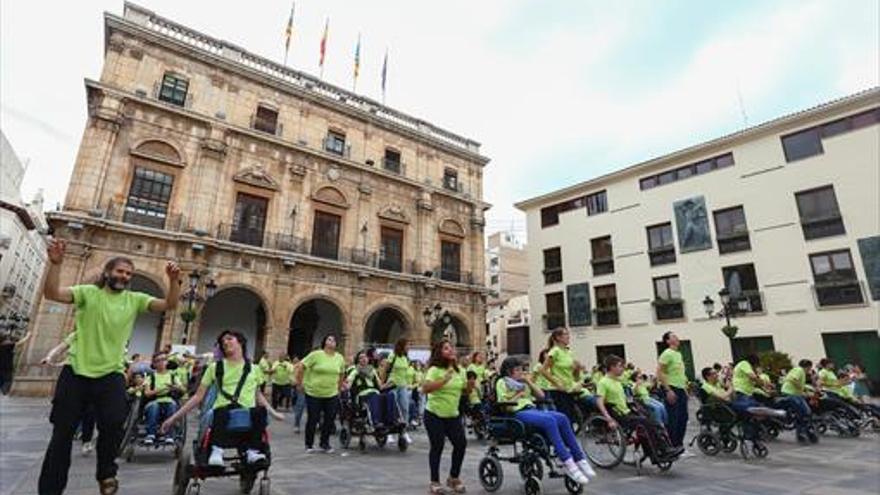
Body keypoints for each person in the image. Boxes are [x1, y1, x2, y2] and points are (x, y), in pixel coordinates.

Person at [38, 240, 180, 495]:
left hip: (111, 374)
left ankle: (106, 473)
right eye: (120, 271)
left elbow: (168, 305)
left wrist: (173, 281)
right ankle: (50, 490)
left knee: (114, 423)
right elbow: (52, 294)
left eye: (128, 273)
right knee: (62, 434)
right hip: (76, 372)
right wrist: (55, 264)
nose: (124, 276)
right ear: (107, 273)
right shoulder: (87, 293)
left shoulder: (134, 299)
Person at [161, 331, 283, 466]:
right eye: (223, 342)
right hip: (222, 414)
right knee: (221, 411)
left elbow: (258, 395)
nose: (225, 343)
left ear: (240, 342)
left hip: (246, 414)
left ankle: (252, 451)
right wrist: (173, 418)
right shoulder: (215, 367)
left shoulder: (254, 369)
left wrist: (273, 412)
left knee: (260, 412)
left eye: (229, 339)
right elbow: (197, 396)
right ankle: (217, 450)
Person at [496, 357, 594, 484]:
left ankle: (580, 458)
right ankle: (568, 462)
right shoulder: (502, 382)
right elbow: (506, 406)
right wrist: (519, 394)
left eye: (522, 369)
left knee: (562, 418)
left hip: (531, 409)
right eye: (518, 370)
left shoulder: (523, 382)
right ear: (509, 371)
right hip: (517, 413)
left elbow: (541, 395)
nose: (521, 372)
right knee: (549, 421)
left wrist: (529, 382)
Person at [597, 355, 683, 461]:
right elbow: (599, 402)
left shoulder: (617, 381)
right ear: (612, 367)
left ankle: (659, 451)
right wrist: (609, 419)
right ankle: (663, 451)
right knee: (646, 423)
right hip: (618, 414)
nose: (622, 368)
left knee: (653, 422)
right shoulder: (603, 382)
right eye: (620, 366)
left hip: (627, 411)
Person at [422, 340, 472, 494]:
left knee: (461, 444)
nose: (451, 350)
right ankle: (434, 481)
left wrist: (469, 386)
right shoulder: (435, 370)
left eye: (451, 348)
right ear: (439, 352)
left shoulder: (461, 371)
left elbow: (463, 391)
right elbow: (425, 388)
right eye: (446, 348)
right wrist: (444, 379)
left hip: (452, 414)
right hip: (434, 414)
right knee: (437, 446)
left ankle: (453, 477)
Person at [296, 335, 345, 453]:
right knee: (313, 418)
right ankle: (309, 444)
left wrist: (339, 388)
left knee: (329, 419)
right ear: (324, 342)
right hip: (314, 392)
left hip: (331, 393)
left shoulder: (339, 358)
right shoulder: (316, 355)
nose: (331, 341)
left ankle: (325, 443)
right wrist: (300, 383)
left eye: (333, 340)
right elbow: (301, 366)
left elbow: (342, 373)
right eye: (329, 339)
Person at [540, 328, 591, 421]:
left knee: (571, 417)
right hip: (558, 390)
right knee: (565, 417)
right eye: (566, 334)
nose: (568, 336)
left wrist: (577, 369)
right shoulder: (554, 351)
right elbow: (543, 370)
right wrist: (556, 383)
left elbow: (574, 376)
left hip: (569, 389)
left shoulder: (569, 352)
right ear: (558, 337)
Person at [656, 331, 689, 450]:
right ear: (668, 341)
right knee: (673, 418)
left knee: (683, 417)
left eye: (676, 335)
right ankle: (670, 445)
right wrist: (668, 390)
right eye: (673, 336)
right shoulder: (667, 354)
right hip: (671, 388)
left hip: (680, 388)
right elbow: (660, 372)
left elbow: (680, 373)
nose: (677, 337)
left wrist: (685, 388)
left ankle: (679, 444)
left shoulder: (678, 354)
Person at [143, 352, 184, 446]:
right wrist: (160, 390)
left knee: (172, 405)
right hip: (154, 401)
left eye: (163, 359)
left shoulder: (173, 376)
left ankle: (169, 434)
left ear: (167, 362)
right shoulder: (150, 377)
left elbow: (183, 389)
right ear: (154, 364)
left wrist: (174, 387)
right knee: (154, 406)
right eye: (158, 360)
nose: (161, 362)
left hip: (169, 400)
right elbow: (147, 393)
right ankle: (150, 434)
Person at [347, 350, 395, 428]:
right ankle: (376, 421)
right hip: (362, 394)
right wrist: (345, 386)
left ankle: (391, 420)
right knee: (374, 396)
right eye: (361, 358)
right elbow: (349, 382)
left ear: (368, 359)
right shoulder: (355, 370)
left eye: (365, 357)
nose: (363, 359)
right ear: (358, 360)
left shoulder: (372, 371)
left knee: (390, 395)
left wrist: (389, 383)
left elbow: (380, 386)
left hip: (375, 392)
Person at [381, 338, 413, 445]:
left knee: (405, 408)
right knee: (393, 408)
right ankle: (389, 433)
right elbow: (385, 370)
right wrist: (382, 383)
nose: (409, 347)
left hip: (403, 385)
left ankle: (404, 431)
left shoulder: (406, 358)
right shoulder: (392, 356)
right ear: (401, 345)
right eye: (407, 345)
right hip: (392, 385)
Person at [780, 359, 817, 443]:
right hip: (790, 393)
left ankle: (803, 432)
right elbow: (793, 380)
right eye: (810, 368)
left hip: (794, 394)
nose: (810, 370)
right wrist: (802, 388)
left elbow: (801, 385)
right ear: (808, 367)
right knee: (803, 412)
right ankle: (802, 432)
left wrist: (807, 391)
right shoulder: (799, 370)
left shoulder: (800, 372)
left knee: (805, 412)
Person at [0, 327, 31, 395]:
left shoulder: (4, 345)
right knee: (6, 382)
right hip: (6, 368)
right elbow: (20, 343)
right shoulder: (7, 346)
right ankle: (5, 390)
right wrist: (28, 336)